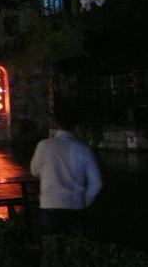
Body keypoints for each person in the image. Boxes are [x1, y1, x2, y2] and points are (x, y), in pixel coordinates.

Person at [30, 102, 102, 237]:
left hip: (49, 204)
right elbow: (96, 183)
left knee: (51, 246)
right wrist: (84, 200)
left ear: (57, 125)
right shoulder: (83, 149)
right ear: (77, 127)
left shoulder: (44, 146)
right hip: (75, 205)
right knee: (75, 248)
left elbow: (34, 170)